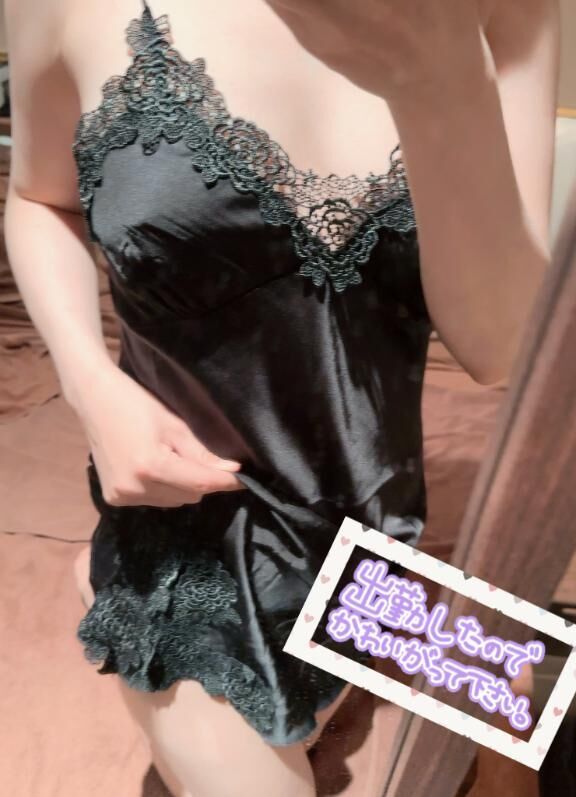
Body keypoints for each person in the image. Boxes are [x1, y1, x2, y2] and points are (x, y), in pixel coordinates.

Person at [4, 0, 559, 795]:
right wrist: (89, 383)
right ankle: (109, 584)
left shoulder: (509, 10)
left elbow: (501, 350)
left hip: (372, 557)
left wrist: (442, 86)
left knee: (535, 718)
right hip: (191, 547)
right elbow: (38, 197)